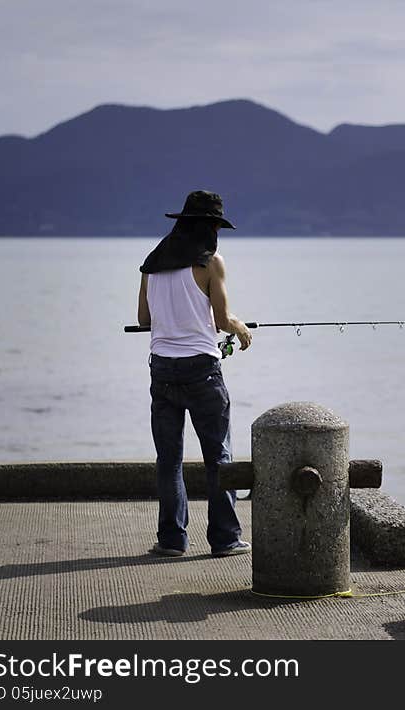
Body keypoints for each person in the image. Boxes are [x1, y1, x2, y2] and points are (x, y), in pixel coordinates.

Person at [136, 190, 253, 557]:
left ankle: (172, 540)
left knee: (168, 459)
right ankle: (225, 539)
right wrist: (240, 328)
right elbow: (221, 319)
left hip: (162, 370)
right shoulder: (210, 262)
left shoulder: (152, 262)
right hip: (202, 370)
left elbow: (144, 320)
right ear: (211, 227)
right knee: (218, 456)